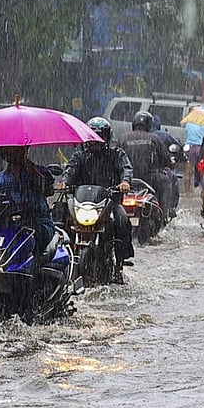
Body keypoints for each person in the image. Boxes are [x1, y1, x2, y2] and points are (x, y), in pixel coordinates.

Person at [57, 117, 134, 284]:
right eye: (92, 137)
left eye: (99, 137)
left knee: (122, 221)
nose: (95, 141)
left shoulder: (117, 154)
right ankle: (58, 258)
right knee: (58, 213)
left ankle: (120, 262)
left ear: (106, 138)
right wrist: (64, 182)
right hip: (82, 203)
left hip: (108, 203)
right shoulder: (80, 156)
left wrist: (125, 182)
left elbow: (126, 169)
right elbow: (70, 171)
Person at [0, 145, 55, 254]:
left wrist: (31, 170)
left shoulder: (40, 172)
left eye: (15, 149)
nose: (10, 153)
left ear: (25, 150)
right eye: (5, 150)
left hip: (37, 223)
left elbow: (49, 190)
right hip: (9, 227)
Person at [116, 111, 174, 225]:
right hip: (150, 179)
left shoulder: (122, 138)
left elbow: (116, 160)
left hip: (127, 181)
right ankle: (163, 216)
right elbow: (165, 159)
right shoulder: (154, 138)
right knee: (167, 182)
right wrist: (170, 163)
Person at [148, 113, 183, 216]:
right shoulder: (163, 136)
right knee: (173, 180)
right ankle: (170, 208)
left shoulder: (139, 136)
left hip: (142, 171)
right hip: (159, 170)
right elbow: (177, 147)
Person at [184, 120, 204, 192]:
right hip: (200, 149)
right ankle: (203, 190)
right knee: (202, 169)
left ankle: (187, 193)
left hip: (189, 148)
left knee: (188, 171)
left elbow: (186, 135)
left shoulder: (188, 124)